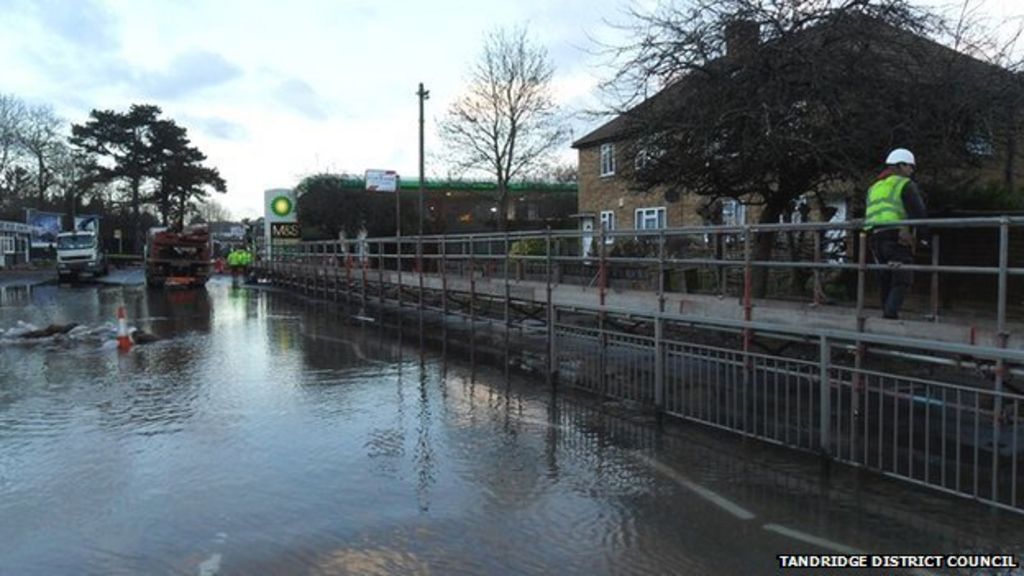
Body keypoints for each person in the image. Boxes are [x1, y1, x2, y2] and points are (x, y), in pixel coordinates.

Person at [863, 148, 928, 319]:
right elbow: (918, 211)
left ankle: (886, 315)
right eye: (910, 167)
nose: (912, 171)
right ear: (900, 165)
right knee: (903, 277)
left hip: (875, 238)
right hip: (896, 237)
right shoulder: (904, 184)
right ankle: (890, 315)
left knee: (885, 277)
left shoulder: (874, 187)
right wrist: (923, 238)